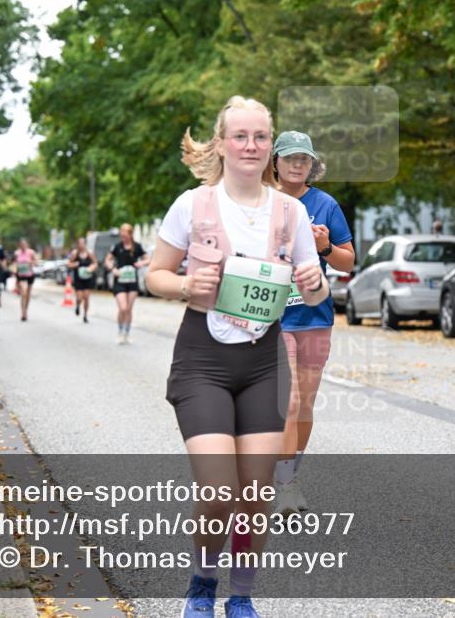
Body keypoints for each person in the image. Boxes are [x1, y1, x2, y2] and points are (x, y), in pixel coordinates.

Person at [146, 96, 327, 618]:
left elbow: (312, 293)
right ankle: (202, 584)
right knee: (221, 489)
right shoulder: (192, 205)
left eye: (260, 137)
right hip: (202, 360)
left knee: (255, 493)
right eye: (241, 136)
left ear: (270, 146)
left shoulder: (290, 212)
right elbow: (154, 274)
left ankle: (240, 594)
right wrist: (183, 284)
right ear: (221, 143)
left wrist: (314, 285)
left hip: (264, 363)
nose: (251, 146)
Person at [269, 131, 354, 517]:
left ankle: (286, 469)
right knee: (288, 402)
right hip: (274, 317)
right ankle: (286, 484)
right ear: (276, 162)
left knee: (305, 405)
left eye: (304, 159)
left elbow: (347, 262)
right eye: (290, 158)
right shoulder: (261, 201)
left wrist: (324, 248)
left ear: (311, 165)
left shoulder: (325, 204)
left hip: (314, 315)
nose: (297, 164)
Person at [105, 223, 149, 344]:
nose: (122, 235)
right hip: (120, 281)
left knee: (129, 309)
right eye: (121, 233)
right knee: (123, 308)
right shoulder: (117, 247)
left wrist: (142, 263)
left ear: (130, 234)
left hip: (132, 281)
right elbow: (107, 260)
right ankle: (120, 331)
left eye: (124, 233)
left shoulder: (137, 247)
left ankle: (127, 333)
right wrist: (113, 269)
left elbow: (148, 259)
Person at [66, 237, 95, 322]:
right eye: (80, 243)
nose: (81, 245)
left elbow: (95, 263)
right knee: (79, 297)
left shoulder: (90, 253)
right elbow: (68, 264)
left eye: (83, 243)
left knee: (86, 297)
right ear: (78, 245)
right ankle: (78, 305)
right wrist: (74, 264)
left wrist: (91, 268)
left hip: (88, 277)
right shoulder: (75, 253)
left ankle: (85, 315)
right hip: (78, 278)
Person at [13, 238, 40, 322]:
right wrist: (14, 269)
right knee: (23, 293)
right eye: (21, 245)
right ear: (19, 245)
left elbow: (37, 263)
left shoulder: (31, 252)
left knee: (28, 295)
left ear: (27, 245)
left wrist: (31, 263)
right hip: (20, 275)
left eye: (24, 244)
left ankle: (26, 311)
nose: (23, 246)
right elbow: (14, 264)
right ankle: (22, 312)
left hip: (29, 275)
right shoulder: (16, 253)